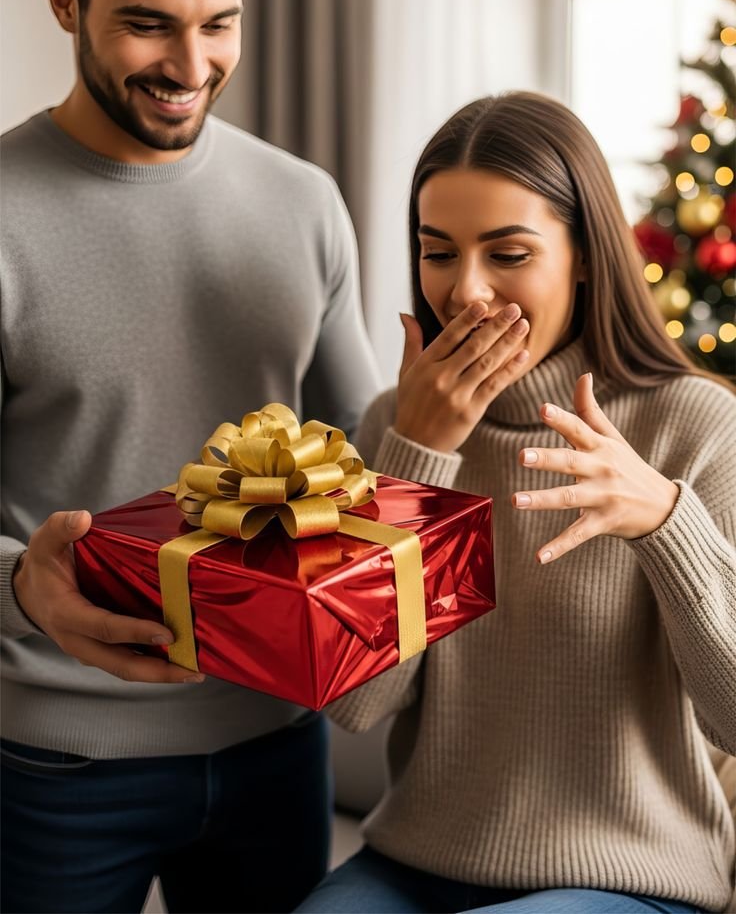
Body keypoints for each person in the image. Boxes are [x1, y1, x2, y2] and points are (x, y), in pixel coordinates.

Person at [0, 0, 381, 912]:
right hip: (54, 767)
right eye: (148, 24)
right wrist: (19, 583)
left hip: (276, 742)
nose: (191, 63)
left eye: (220, 23)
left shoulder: (303, 201)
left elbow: (365, 450)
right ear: (65, 0)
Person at [295, 92, 736, 914]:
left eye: (507, 254)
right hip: (418, 856)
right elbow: (358, 704)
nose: (465, 292)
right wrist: (419, 460)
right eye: (438, 252)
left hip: (629, 875)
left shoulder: (693, 422)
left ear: (583, 256)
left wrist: (666, 521)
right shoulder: (398, 421)